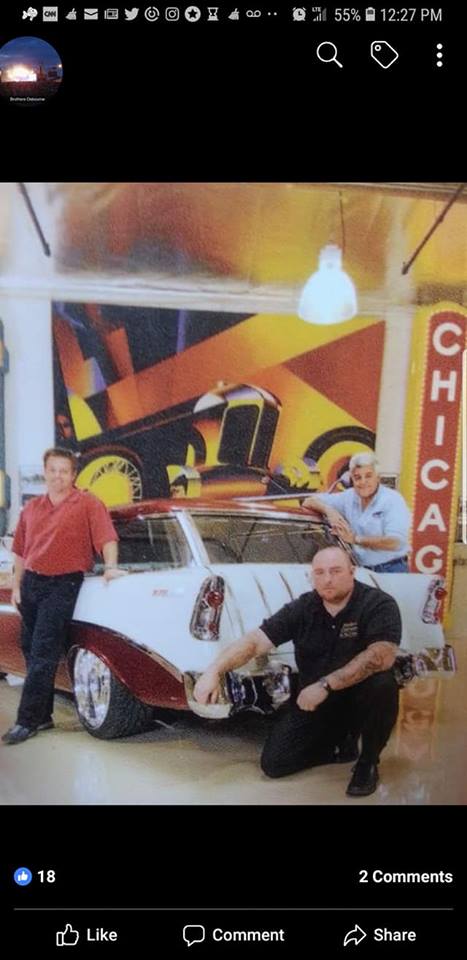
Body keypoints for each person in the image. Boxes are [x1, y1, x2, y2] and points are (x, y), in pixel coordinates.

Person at [194, 545, 401, 797]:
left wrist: (326, 684)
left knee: (383, 684)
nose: (327, 579)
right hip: (315, 702)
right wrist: (214, 670)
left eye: (336, 571)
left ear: (352, 571)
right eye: (320, 572)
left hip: (357, 697)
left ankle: (368, 763)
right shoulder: (303, 608)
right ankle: (340, 744)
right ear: (312, 576)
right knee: (274, 764)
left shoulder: (378, 604)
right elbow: (255, 642)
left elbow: (381, 656)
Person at [1, 447, 125, 746]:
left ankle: (26, 721)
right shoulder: (32, 508)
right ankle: (43, 715)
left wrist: (110, 567)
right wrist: (17, 585)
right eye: (53, 470)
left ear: (73, 474)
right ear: (45, 472)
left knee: (43, 651)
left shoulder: (88, 503)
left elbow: (107, 537)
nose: (58, 476)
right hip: (31, 583)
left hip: (63, 584)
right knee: (29, 648)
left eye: (64, 471)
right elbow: (20, 551)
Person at [303, 452, 411, 573]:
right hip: (360, 570)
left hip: (392, 569)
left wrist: (355, 539)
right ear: (352, 479)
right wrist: (329, 511)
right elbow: (308, 501)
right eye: (357, 477)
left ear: (377, 477)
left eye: (368, 476)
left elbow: (396, 542)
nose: (363, 482)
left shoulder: (392, 500)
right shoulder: (348, 497)